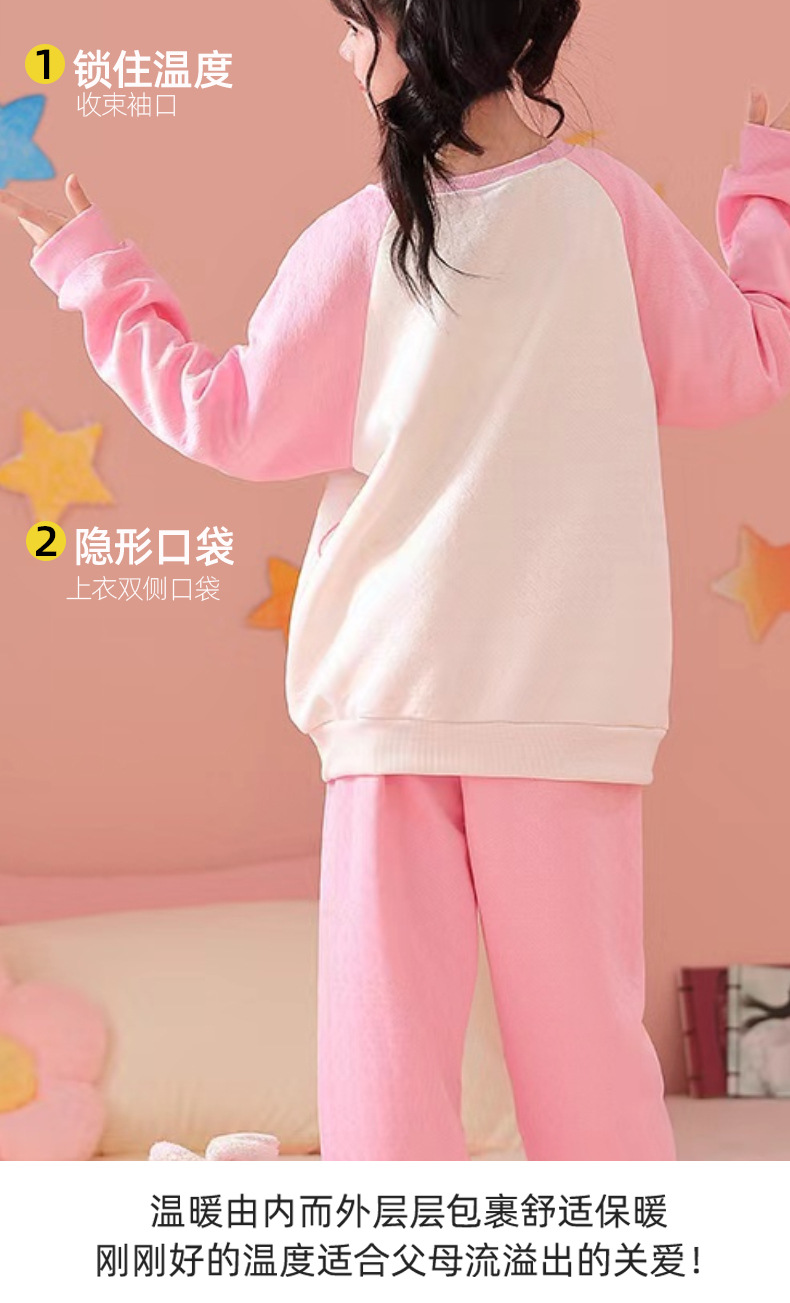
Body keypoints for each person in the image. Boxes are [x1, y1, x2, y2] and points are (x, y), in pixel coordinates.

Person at [2, 0, 790, 1162]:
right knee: (586, 1054)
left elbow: (227, 416)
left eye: (356, 22)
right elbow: (749, 361)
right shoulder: (601, 209)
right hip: (560, 703)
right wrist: (762, 202)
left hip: (395, 695)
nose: (341, 50)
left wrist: (97, 279)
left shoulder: (363, 237)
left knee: (386, 1059)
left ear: (427, 31)